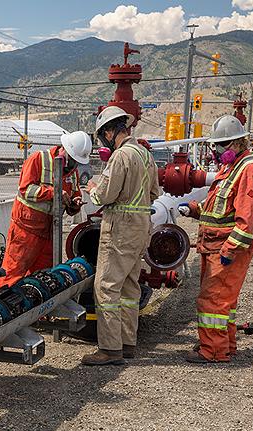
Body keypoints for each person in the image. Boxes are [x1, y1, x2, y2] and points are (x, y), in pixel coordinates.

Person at [178, 115, 253, 363]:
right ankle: (225, 345)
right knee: (225, 301)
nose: (217, 151)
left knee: (213, 300)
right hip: (215, 244)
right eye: (216, 145)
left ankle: (213, 351)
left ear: (238, 143)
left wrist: (230, 250)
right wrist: (195, 210)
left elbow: (246, 219)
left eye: (222, 145)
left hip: (226, 248)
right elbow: (221, 208)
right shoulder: (231, 168)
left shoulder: (250, 169)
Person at [81, 107, 160, 366]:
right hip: (141, 226)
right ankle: (127, 343)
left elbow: (104, 196)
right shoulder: (146, 156)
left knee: (106, 288)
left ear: (109, 131)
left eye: (103, 135)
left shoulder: (120, 157)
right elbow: (153, 194)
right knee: (129, 287)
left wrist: (92, 188)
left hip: (120, 229)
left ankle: (110, 349)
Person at [0, 131, 91, 289]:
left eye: (76, 162)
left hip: (50, 231)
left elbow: (74, 194)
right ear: (63, 149)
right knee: (13, 274)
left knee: (44, 278)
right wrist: (54, 192)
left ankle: (39, 313)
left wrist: (74, 204)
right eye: (72, 159)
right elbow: (25, 189)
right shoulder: (39, 159)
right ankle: (1, 308)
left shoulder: (72, 171)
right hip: (26, 230)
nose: (73, 165)